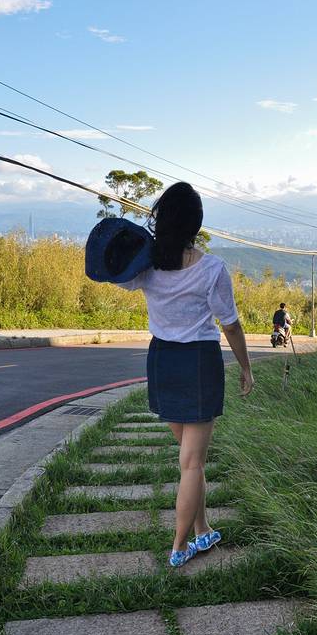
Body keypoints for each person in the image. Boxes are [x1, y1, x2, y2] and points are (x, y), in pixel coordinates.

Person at [121, 182, 254, 568]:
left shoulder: (146, 265)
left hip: (162, 362)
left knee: (189, 458)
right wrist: (245, 367)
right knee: (192, 463)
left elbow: (115, 273)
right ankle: (179, 546)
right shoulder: (211, 268)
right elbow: (231, 325)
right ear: (196, 224)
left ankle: (202, 530)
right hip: (197, 363)